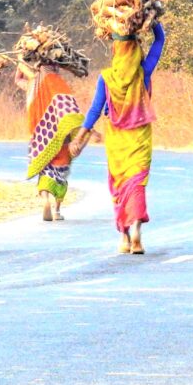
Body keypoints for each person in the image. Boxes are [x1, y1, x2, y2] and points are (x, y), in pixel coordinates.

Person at [70, 20, 165, 254]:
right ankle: (137, 235)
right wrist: (152, 20)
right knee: (137, 183)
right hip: (140, 138)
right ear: (136, 51)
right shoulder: (144, 72)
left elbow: (94, 110)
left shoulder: (106, 78)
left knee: (121, 184)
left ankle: (124, 237)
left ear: (115, 52)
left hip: (116, 140)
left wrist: (79, 138)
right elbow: (160, 40)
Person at [14, 61, 84, 221]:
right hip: (61, 137)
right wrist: (82, 133)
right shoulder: (58, 83)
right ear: (56, 66)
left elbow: (17, 80)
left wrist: (20, 62)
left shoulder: (31, 85)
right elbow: (71, 111)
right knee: (61, 173)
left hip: (40, 135)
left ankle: (45, 198)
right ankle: (57, 210)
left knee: (45, 170)